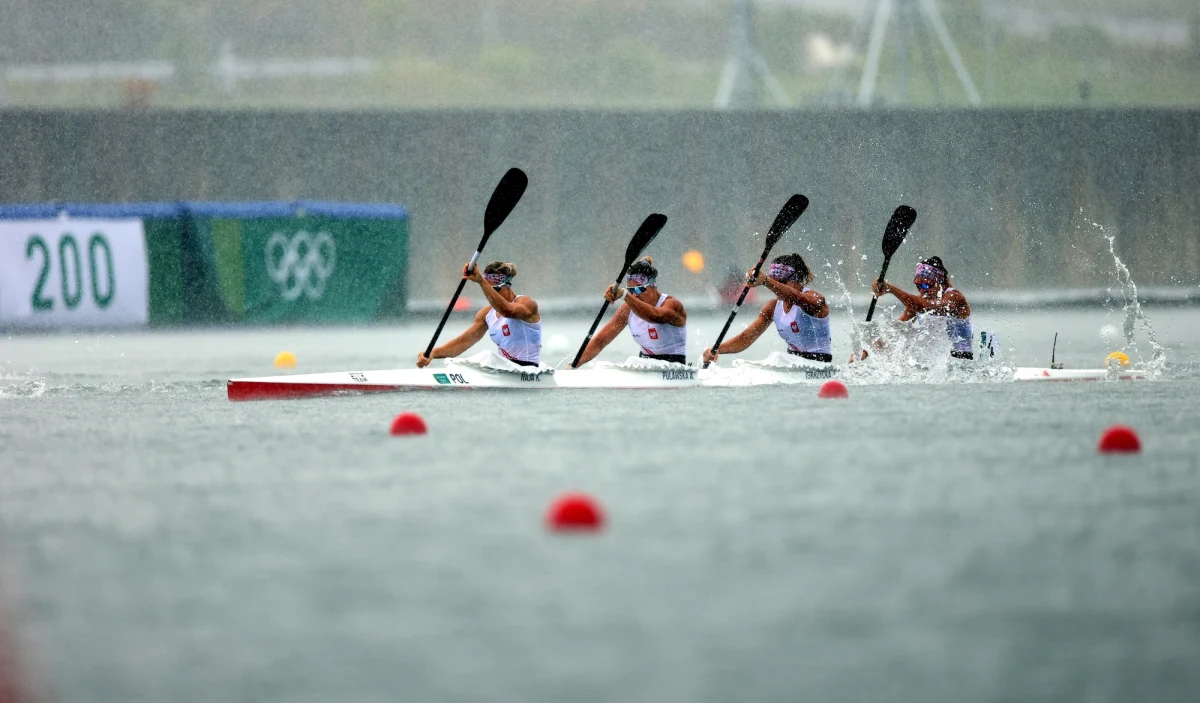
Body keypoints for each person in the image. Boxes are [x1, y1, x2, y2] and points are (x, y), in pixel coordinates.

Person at [703, 254, 831, 365]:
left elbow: (796, 297)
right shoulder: (772, 307)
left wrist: (766, 281)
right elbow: (746, 337)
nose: (776, 289)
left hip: (819, 366)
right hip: (793, 364)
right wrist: (717, 349)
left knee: (777, 357)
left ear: (795, 280)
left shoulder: (815, 300)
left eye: (781, 283)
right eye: (774, 283)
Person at [416, 261, 541, 367]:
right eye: (487, 289)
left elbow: (508, 311)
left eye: (494, 290)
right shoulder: (486, 314)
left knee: (487, 356)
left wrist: (481, 281)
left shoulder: (526, 303)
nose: (491, 295)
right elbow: (462, 342)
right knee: (457, 362)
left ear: (507, 286)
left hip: (528, 371)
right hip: (505, 370)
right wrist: (432, 353)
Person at [853, 255, 973, 361]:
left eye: (926, 285)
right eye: (918, 285)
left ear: (940, 281)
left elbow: (922, 306)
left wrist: (890, 289)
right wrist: (864, 351)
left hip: (961, 365)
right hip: (935, 369)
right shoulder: (916, 305)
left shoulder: (955, 298)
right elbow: (893, 333)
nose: (922, 290)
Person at [572, 257, 688, 366]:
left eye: (638, 288)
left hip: (674, 369)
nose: (634, 294)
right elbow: (600, 341)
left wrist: (624, 295)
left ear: (653, 285)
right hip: (645, 366)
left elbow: (654, 316)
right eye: (630, 290)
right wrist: (573, 366)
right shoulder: (627, 309)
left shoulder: (672, 305)